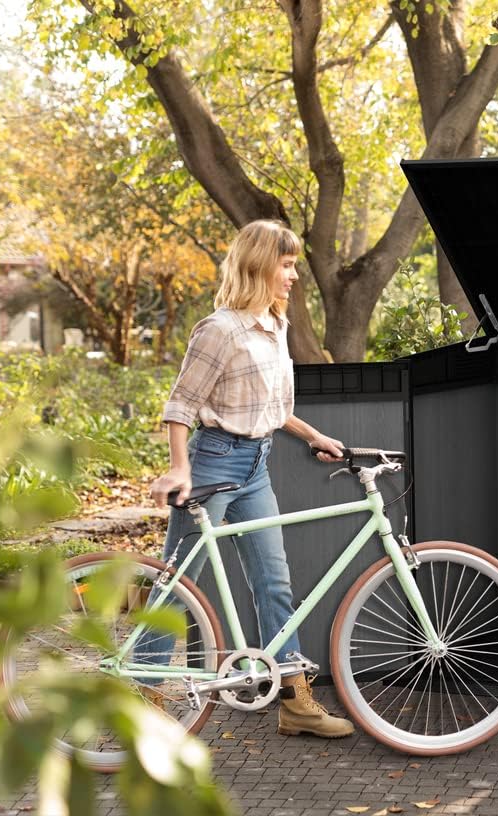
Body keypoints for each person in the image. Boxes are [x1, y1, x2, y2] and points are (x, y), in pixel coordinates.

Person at [145, 219, 353, 738]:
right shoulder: (220, 330)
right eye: (287, 265)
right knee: (178, 583)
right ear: (260, 265)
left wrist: (313, 435)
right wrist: (180, 467)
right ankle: (141, 691)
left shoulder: (275, 323)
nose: (294, 275)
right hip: (213, 462)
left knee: (274, 582)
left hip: (255, 466)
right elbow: (180, 406)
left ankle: (293, 700)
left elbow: (271, 409)